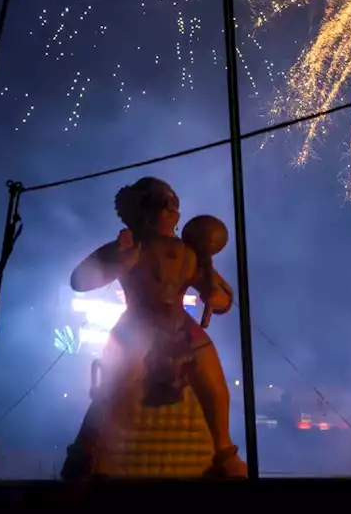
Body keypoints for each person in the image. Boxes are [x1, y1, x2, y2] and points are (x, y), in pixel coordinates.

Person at [61, 177, 246, 479]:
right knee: (114, 385)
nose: (165, 206)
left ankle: (224, 450)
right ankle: (87, 448)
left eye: (170, 200)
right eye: (155, 200)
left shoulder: (191, 254)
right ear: (138, 210)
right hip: (138, 325)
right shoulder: (130, 247)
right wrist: (118, 261)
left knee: (214, 383)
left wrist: (217, 297)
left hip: (181, 326)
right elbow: (80, 280)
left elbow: (222, 296)